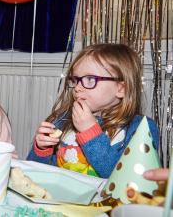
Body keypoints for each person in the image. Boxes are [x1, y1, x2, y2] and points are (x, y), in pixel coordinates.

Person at [27, 44, 159, 178]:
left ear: (121, 88)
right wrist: (42, 149)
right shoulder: (63, 121)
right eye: (75, 80)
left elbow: (125, 180)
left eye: (90, 79)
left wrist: (90, 133)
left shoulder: (141, 128)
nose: (77, 88)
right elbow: (33, 174)